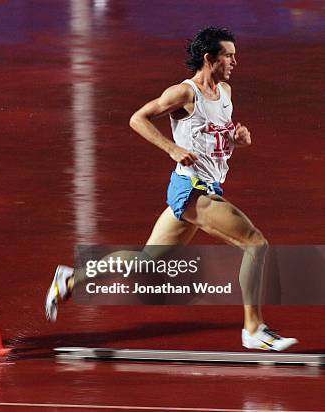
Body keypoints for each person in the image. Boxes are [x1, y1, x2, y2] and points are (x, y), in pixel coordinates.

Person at [45, 27, 297, 351]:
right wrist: (171, 148)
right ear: (210, 58)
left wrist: (234, 139)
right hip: (191, 189)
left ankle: (69, 279)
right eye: (229, 55)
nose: (235, 60)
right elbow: (138, 119)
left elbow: (213, 134)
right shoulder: (183, 93)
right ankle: (253, 329)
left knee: (145, 263)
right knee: (255, 243)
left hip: (207, 187)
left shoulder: (226, 93)